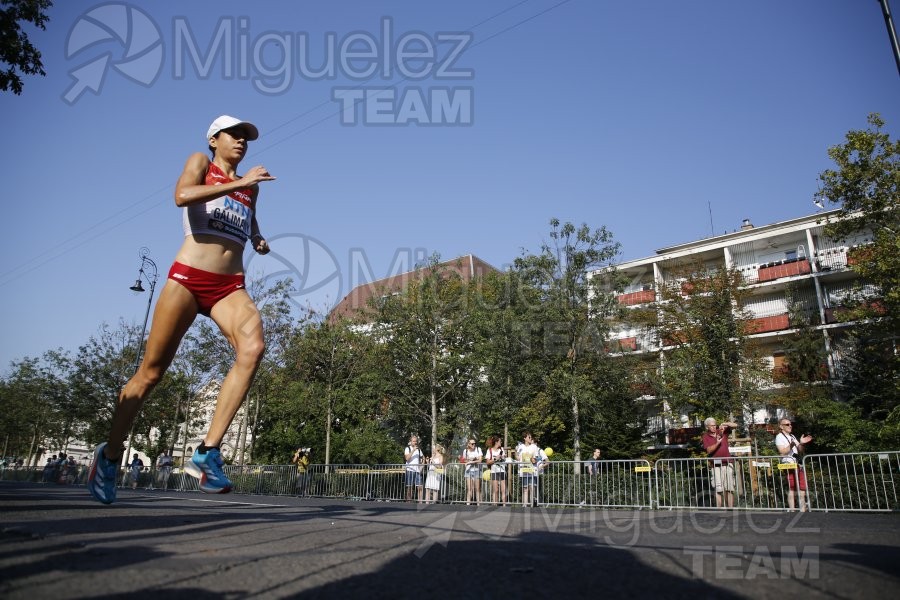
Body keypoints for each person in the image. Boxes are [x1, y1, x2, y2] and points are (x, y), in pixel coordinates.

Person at [87, 115, 275, 505]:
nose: (241, 141)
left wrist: (256, 236)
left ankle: (207, 452)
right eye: (234, 135)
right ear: (214, 139)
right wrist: (242, 181)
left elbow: (248, 215)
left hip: (229, 286)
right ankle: (108, 456)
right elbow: (182, 195)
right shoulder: (200, 163)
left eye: (246, 137)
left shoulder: (249, 189)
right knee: (150, 374)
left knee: (253, 348)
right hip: (188, 278)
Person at [775, 418, 813, 512]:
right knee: (792, 487)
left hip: (797, 463)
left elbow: (800, 450)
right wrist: (791, 445)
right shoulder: (779, 436)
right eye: (787, 424)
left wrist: (802, 443)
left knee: (802, 487)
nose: (790, 425)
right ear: (781, 426)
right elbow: (782, 451)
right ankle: (792, 510)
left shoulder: (792, 436)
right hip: (789, 464)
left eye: (790, 424)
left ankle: (802, 509)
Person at [701, 417, 739, 508]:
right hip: (715, 465)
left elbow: (735, 425)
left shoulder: (721, 431)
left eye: (715, 425)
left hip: (727, 463)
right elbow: (709, 450)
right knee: (718, 489)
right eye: (712, 426)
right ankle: (719, 509)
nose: (714, 427)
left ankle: (730, 509)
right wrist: (718, 443)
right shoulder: (705, 436)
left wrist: (724, 423)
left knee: (729, 488)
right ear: (707, 427)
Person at [515, 432, 541, 507]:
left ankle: (532, 504)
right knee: (525, 488)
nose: (530, 439)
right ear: (524, 438)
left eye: (531, 437)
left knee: (532, 487)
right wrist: (517, 456)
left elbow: (536, 457)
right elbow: (517, 456)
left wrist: (533, 459)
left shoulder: (534, 446)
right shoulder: (520, 446)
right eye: (529, 437)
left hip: (532, 470)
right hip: (523, 470)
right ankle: (525, 504)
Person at [485, 436, 507, 505]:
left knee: (503, 490)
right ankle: (495, 505)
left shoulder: (502, 449)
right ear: (496, 442)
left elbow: (504, 458)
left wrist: (503, 457)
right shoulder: (489, 450)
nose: (501, 442)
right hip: (494, 471)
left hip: (502, 471)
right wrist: (495, 459)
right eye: (500, 441)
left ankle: (504, 506)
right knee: (495, 490)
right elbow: (488, 462)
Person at [461, 438, 483, 506]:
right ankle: (468, 504)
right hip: (468, 470)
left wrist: (471, 461)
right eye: (472, 443)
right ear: (469, 444)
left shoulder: (478, 449)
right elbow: (464, 460)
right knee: (469, 489)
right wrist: (468, 460)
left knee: (477, 489)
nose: (474, 445)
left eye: (475, 443)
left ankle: (478, 504)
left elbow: (480, 460)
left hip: (476, 470)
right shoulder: (466, 451)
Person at [404, 435, 424, 502]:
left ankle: (420, 502)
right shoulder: (407, 448)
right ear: (410, 441)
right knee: (409, 487)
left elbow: (423, 458)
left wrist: (422, 466)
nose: (415, 442)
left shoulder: (419, 450)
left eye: (416, 441)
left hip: (417, 470)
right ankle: (409, 502)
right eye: (413, 441)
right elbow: (407, 458)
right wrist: (413, 450)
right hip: (410, 470)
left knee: (420, 487)